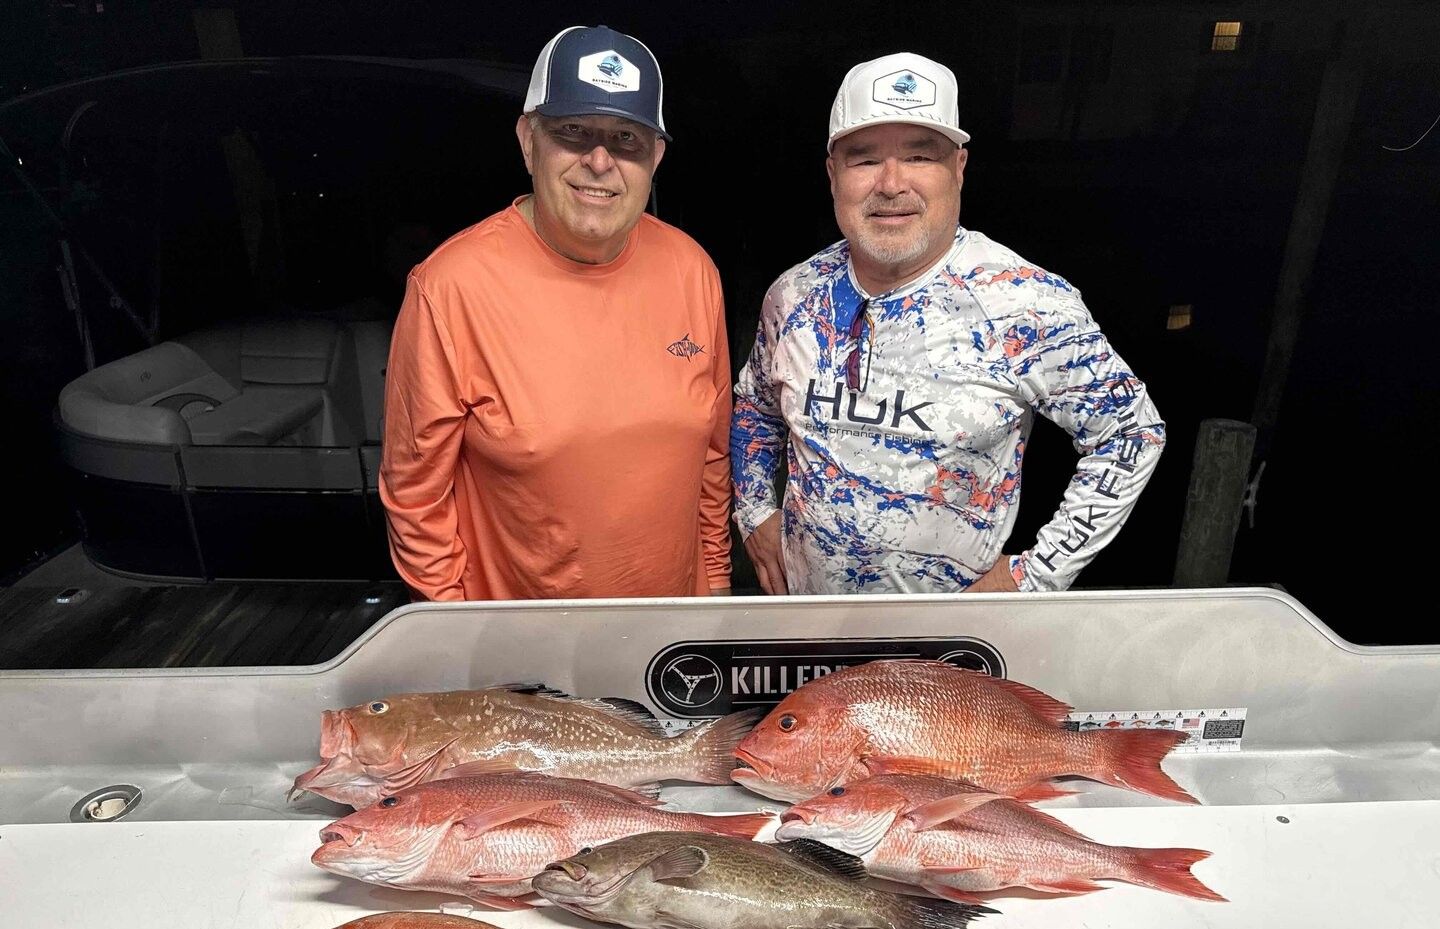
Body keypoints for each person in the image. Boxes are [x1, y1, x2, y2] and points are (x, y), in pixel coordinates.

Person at [732, 52, 1164, 595]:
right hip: (806, 620)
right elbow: (754, 405)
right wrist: (755, 513)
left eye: (920, 155)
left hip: (952, 636)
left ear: (958, 168)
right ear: (832, 173)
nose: (892, 183)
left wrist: (1033, 577)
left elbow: (1130, 433)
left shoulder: (1024, 303)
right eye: (865, 160)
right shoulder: (793, 296)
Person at [381, 25, 732, 600]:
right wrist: (453, 627)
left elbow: (712, 457)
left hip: (672, 629)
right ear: (528, 141)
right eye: (573, 131)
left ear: (656, 158)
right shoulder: (449, 287)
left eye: (626, 139)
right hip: (524, 639)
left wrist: (714, 580)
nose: (600, 160)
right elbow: (415, 495)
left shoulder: (692, 269)